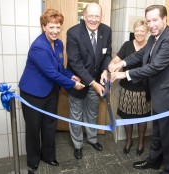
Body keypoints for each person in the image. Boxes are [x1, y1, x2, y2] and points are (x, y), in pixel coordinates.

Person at [109, 5, 169, 174]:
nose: (151, 25)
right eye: (148, 21)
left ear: (165, 19)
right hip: (158, 95)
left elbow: (154, 67)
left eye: (155, 20)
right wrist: (121, 63)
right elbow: (140, 55)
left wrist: (124, 74)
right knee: (158, 133)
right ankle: (153, 161)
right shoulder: (153, 38)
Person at [19, 9, 85, 172]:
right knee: (33, 128)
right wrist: (72, 85)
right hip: (33, 94)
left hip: (51, 92)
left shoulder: (59, 44)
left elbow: (59, 68)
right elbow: (51, 73)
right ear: (44, 27)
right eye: (51, 27)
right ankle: (33, 160)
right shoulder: (39, 47)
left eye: (58, 27)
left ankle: (48, 156)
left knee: (50, 125)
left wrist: (71, 76)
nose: (55, 31)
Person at [66, 2, 112, 160]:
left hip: (97, 81)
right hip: (78, 81)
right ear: (84, 16)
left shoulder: (106, 31)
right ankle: (78, 144)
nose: (93, 19)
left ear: (101, 17)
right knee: (76, 114)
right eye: (90, 16)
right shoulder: (73, 33)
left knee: (92, 112)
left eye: (97, 16)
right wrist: (93, 83)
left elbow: (107, 54)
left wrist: (105, 70)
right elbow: (75, 62)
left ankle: (92, 139)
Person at [108, 20, 151, 156]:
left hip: (143, 89)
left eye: (142, 31)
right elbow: (117, 60)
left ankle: (140, 142)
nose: (139, 33)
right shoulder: (127, 45)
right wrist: (112, 65)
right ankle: (128, 141)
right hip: (126, 88)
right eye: (137, 30)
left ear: (147, 32)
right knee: (127, 117)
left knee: (142, 118)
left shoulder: (150, 47)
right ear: (134, 31)